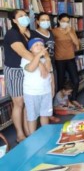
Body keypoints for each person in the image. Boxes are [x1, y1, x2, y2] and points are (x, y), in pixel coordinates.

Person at [4, 9, 43, 142]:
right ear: (14, 20)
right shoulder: (12, 34)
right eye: (21, 16)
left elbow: (38, 47)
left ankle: (28, 131)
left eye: (26, 15)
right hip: (15, 70)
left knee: (28, 101)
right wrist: (40, 64)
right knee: (19, 102)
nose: (25, 18)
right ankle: (20, 134)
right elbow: (23, 52)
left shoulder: (31, 32)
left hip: (29, 70)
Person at [31, 12, 60, 123]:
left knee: (52, 89)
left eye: (47, 19)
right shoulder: (34, 34)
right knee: (43, 90)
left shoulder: (50, 33)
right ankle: (45, 115)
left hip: (51, 63)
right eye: (42, 20)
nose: (45, 22)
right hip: (40, 66)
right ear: (37, 21)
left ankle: (48, 112)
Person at [20, 38, 52, 134]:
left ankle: (46, 134)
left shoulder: (45, 58)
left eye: (41, 45)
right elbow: (31, 68)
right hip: (31, 93)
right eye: (36, 45)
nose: (40, 46)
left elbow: (48, 71)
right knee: (32, 116)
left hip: (46, 91)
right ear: (30, 49)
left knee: (45, 114)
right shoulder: (25, 58)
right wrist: (38, 55)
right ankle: (32, 136)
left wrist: (47, 58)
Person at [52, 13, 80, 103]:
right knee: (60, 81)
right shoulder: (54, 31)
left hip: (70, 58)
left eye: (67, 22)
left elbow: (77, 43)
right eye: (63, 21)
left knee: (76, 80)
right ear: (59, 21)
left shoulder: (71, 30)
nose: (65, 23)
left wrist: (69, 32)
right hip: (59, 59)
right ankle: (61, 101)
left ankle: (74, 98)